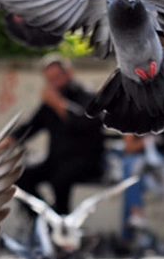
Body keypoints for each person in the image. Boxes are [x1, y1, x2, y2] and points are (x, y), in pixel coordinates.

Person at [6, 55, 106, 215]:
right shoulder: (50, 104)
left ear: (69, 73)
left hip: (86, 161)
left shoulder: (87, 96)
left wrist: (58, 103)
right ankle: (43, 217)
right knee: (21, 174)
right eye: (50, 79)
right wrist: (7, 141)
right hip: (56, 160)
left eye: (58, 77)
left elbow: (82, 122)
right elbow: (32, 126)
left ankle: (61, 217)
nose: (55, 82)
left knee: (60, 178)